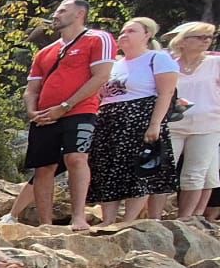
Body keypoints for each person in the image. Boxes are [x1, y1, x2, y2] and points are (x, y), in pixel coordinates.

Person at [6, 0, 116, 228]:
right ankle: (46, 223)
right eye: (56, 11)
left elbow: (101, 76)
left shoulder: (98, 38)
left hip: (80, 110)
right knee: (44, 166)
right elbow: (32, 89)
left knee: (76, 157)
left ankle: (78, 217)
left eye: (62, 11)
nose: (56, 15)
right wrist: (31, 111)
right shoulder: (45, 52)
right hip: (44, 114)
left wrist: (65, 106)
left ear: (80, 14)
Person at [90, 17, 180, 225]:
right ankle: (108, 219)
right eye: (122, 31)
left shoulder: (157, 58)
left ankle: (129, 220)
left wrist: (155, 123)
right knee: (107, 169)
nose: (124, 35)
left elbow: (166, 93)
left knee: (139, 170)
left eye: (131, 31)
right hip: (109, 120)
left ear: (147, 35)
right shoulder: (115, 64)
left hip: (140, 118)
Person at [167, 21, 218, 221]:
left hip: (208, 124)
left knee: (196, 173)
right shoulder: (168, 63)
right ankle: (154, 217)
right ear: (182, 41)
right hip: (173, 124)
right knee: (164, 171)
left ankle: (185, 219)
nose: (206, 41)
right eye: (200, 37)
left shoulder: (215, 63)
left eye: (209, 37)